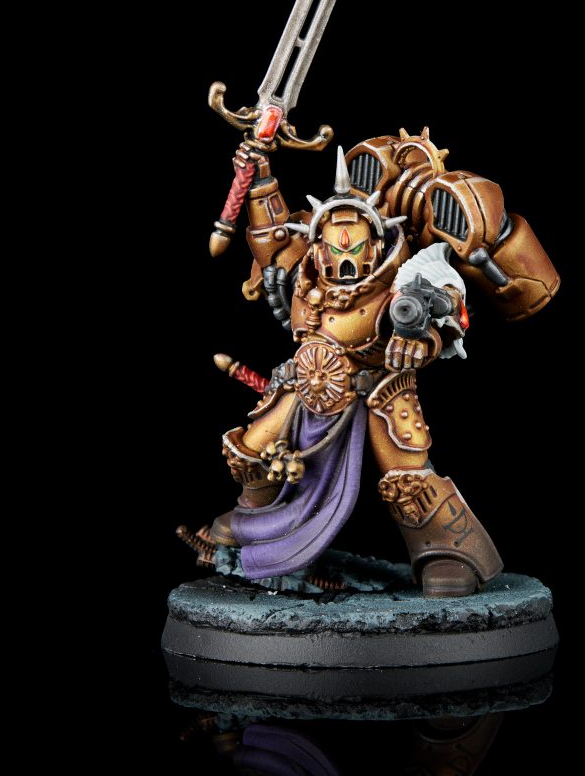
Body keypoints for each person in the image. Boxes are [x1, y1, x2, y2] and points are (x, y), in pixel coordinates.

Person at [207, 130, 559, 597]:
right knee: (252, 448)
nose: (343, 261)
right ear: (319, 244)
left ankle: (451, 550)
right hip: (308, 380)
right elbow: (272, 240)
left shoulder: (404, 276)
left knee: (406, 474)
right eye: (333, 250)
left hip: (380, 387)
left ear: (374, 243)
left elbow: (444, 311)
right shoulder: (308, 266)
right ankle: (255, 519)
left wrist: (421, 338)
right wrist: (260, 178)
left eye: (353, 250)